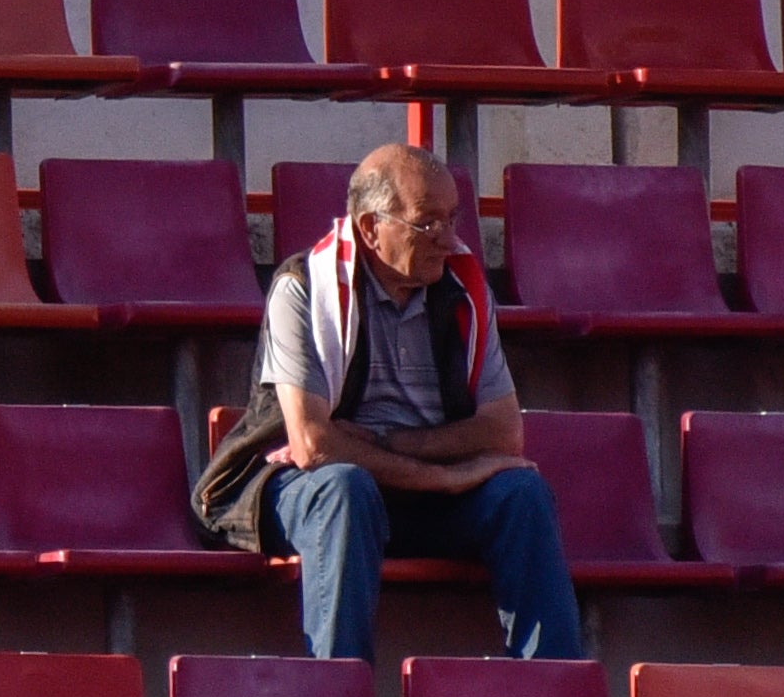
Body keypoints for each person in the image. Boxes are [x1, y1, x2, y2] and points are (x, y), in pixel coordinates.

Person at [193, 142, 582, 662]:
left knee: (522, 493)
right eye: (428, 223)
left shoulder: (463, 293)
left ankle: (553, 692)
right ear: (371, 228)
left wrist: (383, 442)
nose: (448, 240)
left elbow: (502, 434)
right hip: (312, 492)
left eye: (452, 219)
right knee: (344, 487)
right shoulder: (301, 287)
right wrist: (444, 475)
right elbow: (313, 447)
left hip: (412, 491)